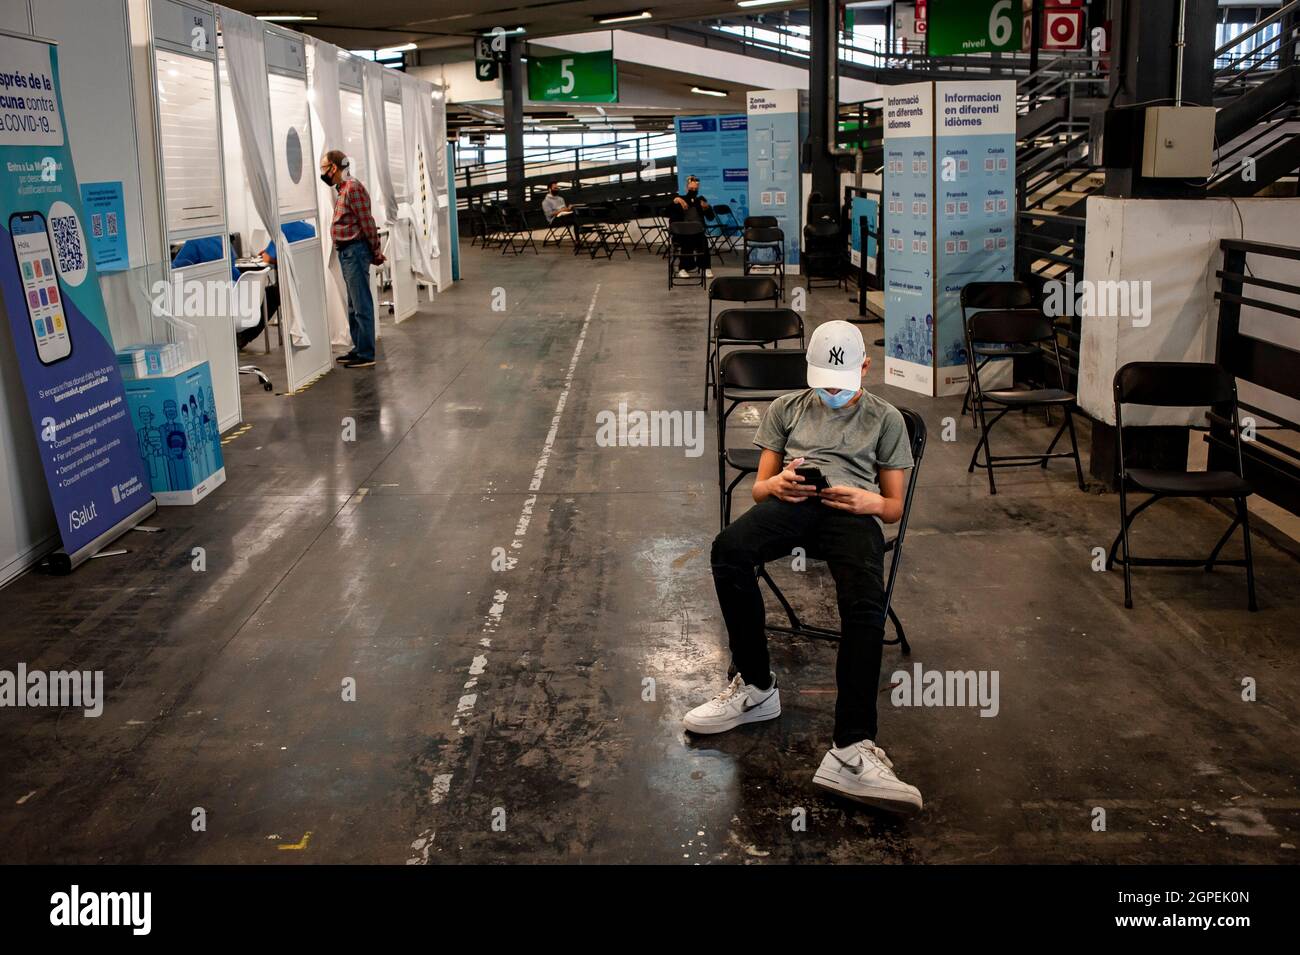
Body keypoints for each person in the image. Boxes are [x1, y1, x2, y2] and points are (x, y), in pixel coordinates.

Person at [682, 320, 922, 814]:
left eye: (842, 382)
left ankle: (852, 747)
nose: (832, 391)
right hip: (793, 503)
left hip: (853, 512)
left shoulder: (886, 420)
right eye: (823, 382)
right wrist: (780, 485)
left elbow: (894, 507)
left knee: (863, 603)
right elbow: (759, 487)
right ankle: (755, 686)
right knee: (728, 549)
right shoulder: (785, 409)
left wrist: (867, 499)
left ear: (865, 368)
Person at [320, 149, 384, 369]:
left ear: (334, 168)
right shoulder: (343, 189)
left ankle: (366, 353)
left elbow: (367, 222)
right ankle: (359, 347)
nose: (323, 172)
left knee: (361, 302)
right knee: (353, 304)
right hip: (347, 252)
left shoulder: (353, 189)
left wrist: (375, 250)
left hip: (355, 251)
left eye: (324, 168)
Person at [241, 220, 316, 350]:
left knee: (270, 294)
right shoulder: (311, 228)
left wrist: (268, 253)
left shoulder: (283, 227)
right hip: (309, 281)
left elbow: (267, 259)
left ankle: (243, 337)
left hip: (291, 285)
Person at [668, 175, 714, 279]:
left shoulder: (701, 200)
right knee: (687, 239)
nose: (693, 191)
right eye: (691, 189)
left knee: (703, 240)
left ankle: (706, 267)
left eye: (695, 189)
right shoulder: (681, 199)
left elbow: (711, 217)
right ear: (686, 188)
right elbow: (668, 211)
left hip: (698, 232)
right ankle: (682, 268)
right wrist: (676, 200)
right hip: (682, 232)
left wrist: (707, 208)